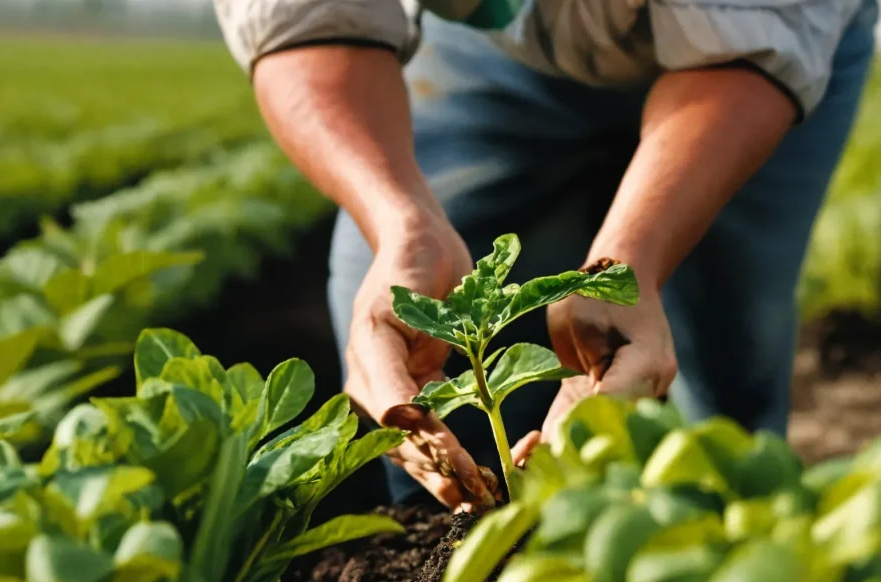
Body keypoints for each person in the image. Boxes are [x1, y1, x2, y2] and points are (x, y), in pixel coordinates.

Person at [213, 0, 879, 511]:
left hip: (753, 59)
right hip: (489, 48)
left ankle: (724, 535)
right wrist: (401, 223)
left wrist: (626, 266)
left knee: (733, 345)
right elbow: (309, 21)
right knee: (421, 375)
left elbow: (755, 30)